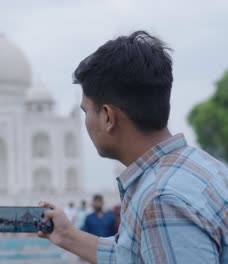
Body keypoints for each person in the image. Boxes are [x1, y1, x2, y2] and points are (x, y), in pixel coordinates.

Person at [37, 31, 228, 263]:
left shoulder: (161, 201)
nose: (86, 122)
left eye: (86, 112)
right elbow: (135, 254)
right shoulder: (202, 166)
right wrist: (67, 236)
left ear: (108, 117)